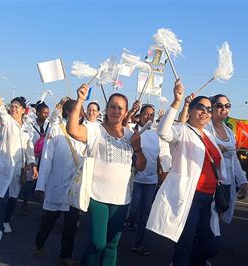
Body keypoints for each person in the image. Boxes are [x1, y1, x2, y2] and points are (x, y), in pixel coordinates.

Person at [147, 80, 227, 266]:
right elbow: (164, 132)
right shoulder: (182, 131)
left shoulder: (209, 137)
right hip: (190, 199)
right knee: (185, 244)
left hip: (209, 200)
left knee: (211, 245)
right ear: (190, 110)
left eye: (209, 109)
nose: (205, 112)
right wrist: (176, 102)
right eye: (200, 107)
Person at [67, 84, 146, 266]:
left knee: (112, 245)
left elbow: (141, 167)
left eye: (120, 108)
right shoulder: (95, 129)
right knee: (97, 243)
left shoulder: (131, 135)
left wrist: (138, 148)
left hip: (121, 199)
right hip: (98, 196)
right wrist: (80, 100)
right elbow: (73, 130)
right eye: (112, 106)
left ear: (126, 112)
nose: (116, 111)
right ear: (106, 109)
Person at [0, 81, 38, 241]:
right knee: (2, 197)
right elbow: (0, 107)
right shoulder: (7, 121)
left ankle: (6, 220)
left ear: (23, 110)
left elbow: (29, 148)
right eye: (12, 106)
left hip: (18, 169)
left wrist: (33, 164)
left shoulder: (27, 127)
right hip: (4, 166)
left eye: (17, 106)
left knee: (13, 198)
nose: (13, 108)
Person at [34, 99, 85, 266]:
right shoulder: (56, 130)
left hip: (74, 188)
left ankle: (66, 256)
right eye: (77, 110)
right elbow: (47, 160)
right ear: (68, 113)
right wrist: (41, 186)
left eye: (81, 111)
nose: (80, 113)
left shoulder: (84, 133)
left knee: (70, 225)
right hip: (56, 185)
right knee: (49, 220)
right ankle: (39, 244)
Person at [124, 103, 162, 255]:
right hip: (136, 178)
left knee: (145, 212)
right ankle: (128, 223)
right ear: (140, 116)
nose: (149, 117)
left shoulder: (155, 134)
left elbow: (158, 154)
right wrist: (131, 111)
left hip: (151, 179)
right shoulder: (133, 130)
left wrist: (160, 169)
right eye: (146, 114)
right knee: (133, 211)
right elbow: (124, 123)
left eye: (152, 115)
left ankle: (138, 243)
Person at [207, 94, 248, 224]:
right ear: (211, 108)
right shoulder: (206, 128)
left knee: (219, 217)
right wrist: (215, 148)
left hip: (226, 182)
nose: (223, 109)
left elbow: (234, 158)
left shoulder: (229, 132)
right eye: (219, 105)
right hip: (209, 180)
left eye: (227, 106)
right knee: (207, 218)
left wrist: (242, 181)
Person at [20, 101, 50, 215]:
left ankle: (40, 199)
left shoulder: (49, 125)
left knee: (42, 179)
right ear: (37, 113)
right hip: (32, 156)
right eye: (44, 113)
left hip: (44, 157)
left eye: (47, 113)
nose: (46, 115)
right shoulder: (30, 125)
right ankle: (24, 203)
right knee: (29, 180)